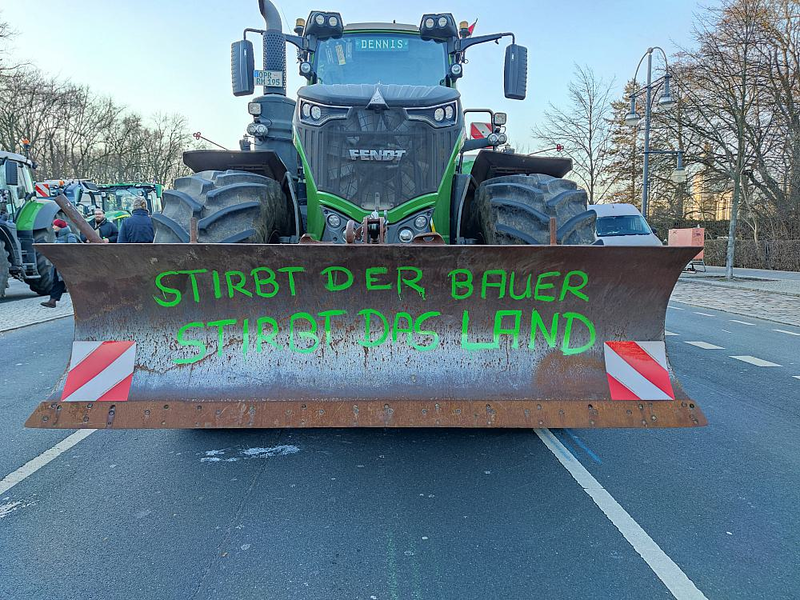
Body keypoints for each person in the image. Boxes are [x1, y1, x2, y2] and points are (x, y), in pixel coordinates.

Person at [41, 219, 79, 308]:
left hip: (66, 265)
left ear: (60, 226)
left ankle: (81, 301)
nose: (53, 227)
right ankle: (52, 301)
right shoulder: (58, 237)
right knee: (57, 282)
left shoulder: (70, 236)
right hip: (57, 265)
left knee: (73, 284)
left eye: (55, 225)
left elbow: (73, 250)